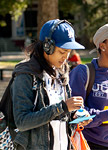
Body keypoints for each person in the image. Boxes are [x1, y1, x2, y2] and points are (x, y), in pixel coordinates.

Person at [11, 19, 92, 150]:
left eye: (69, 52)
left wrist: (76, 116)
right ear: (47, 47)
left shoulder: (62, 72)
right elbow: (22, 122)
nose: (66, 57)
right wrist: (62, 107)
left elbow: (62, 116)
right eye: (62, 51)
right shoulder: (25, 75)